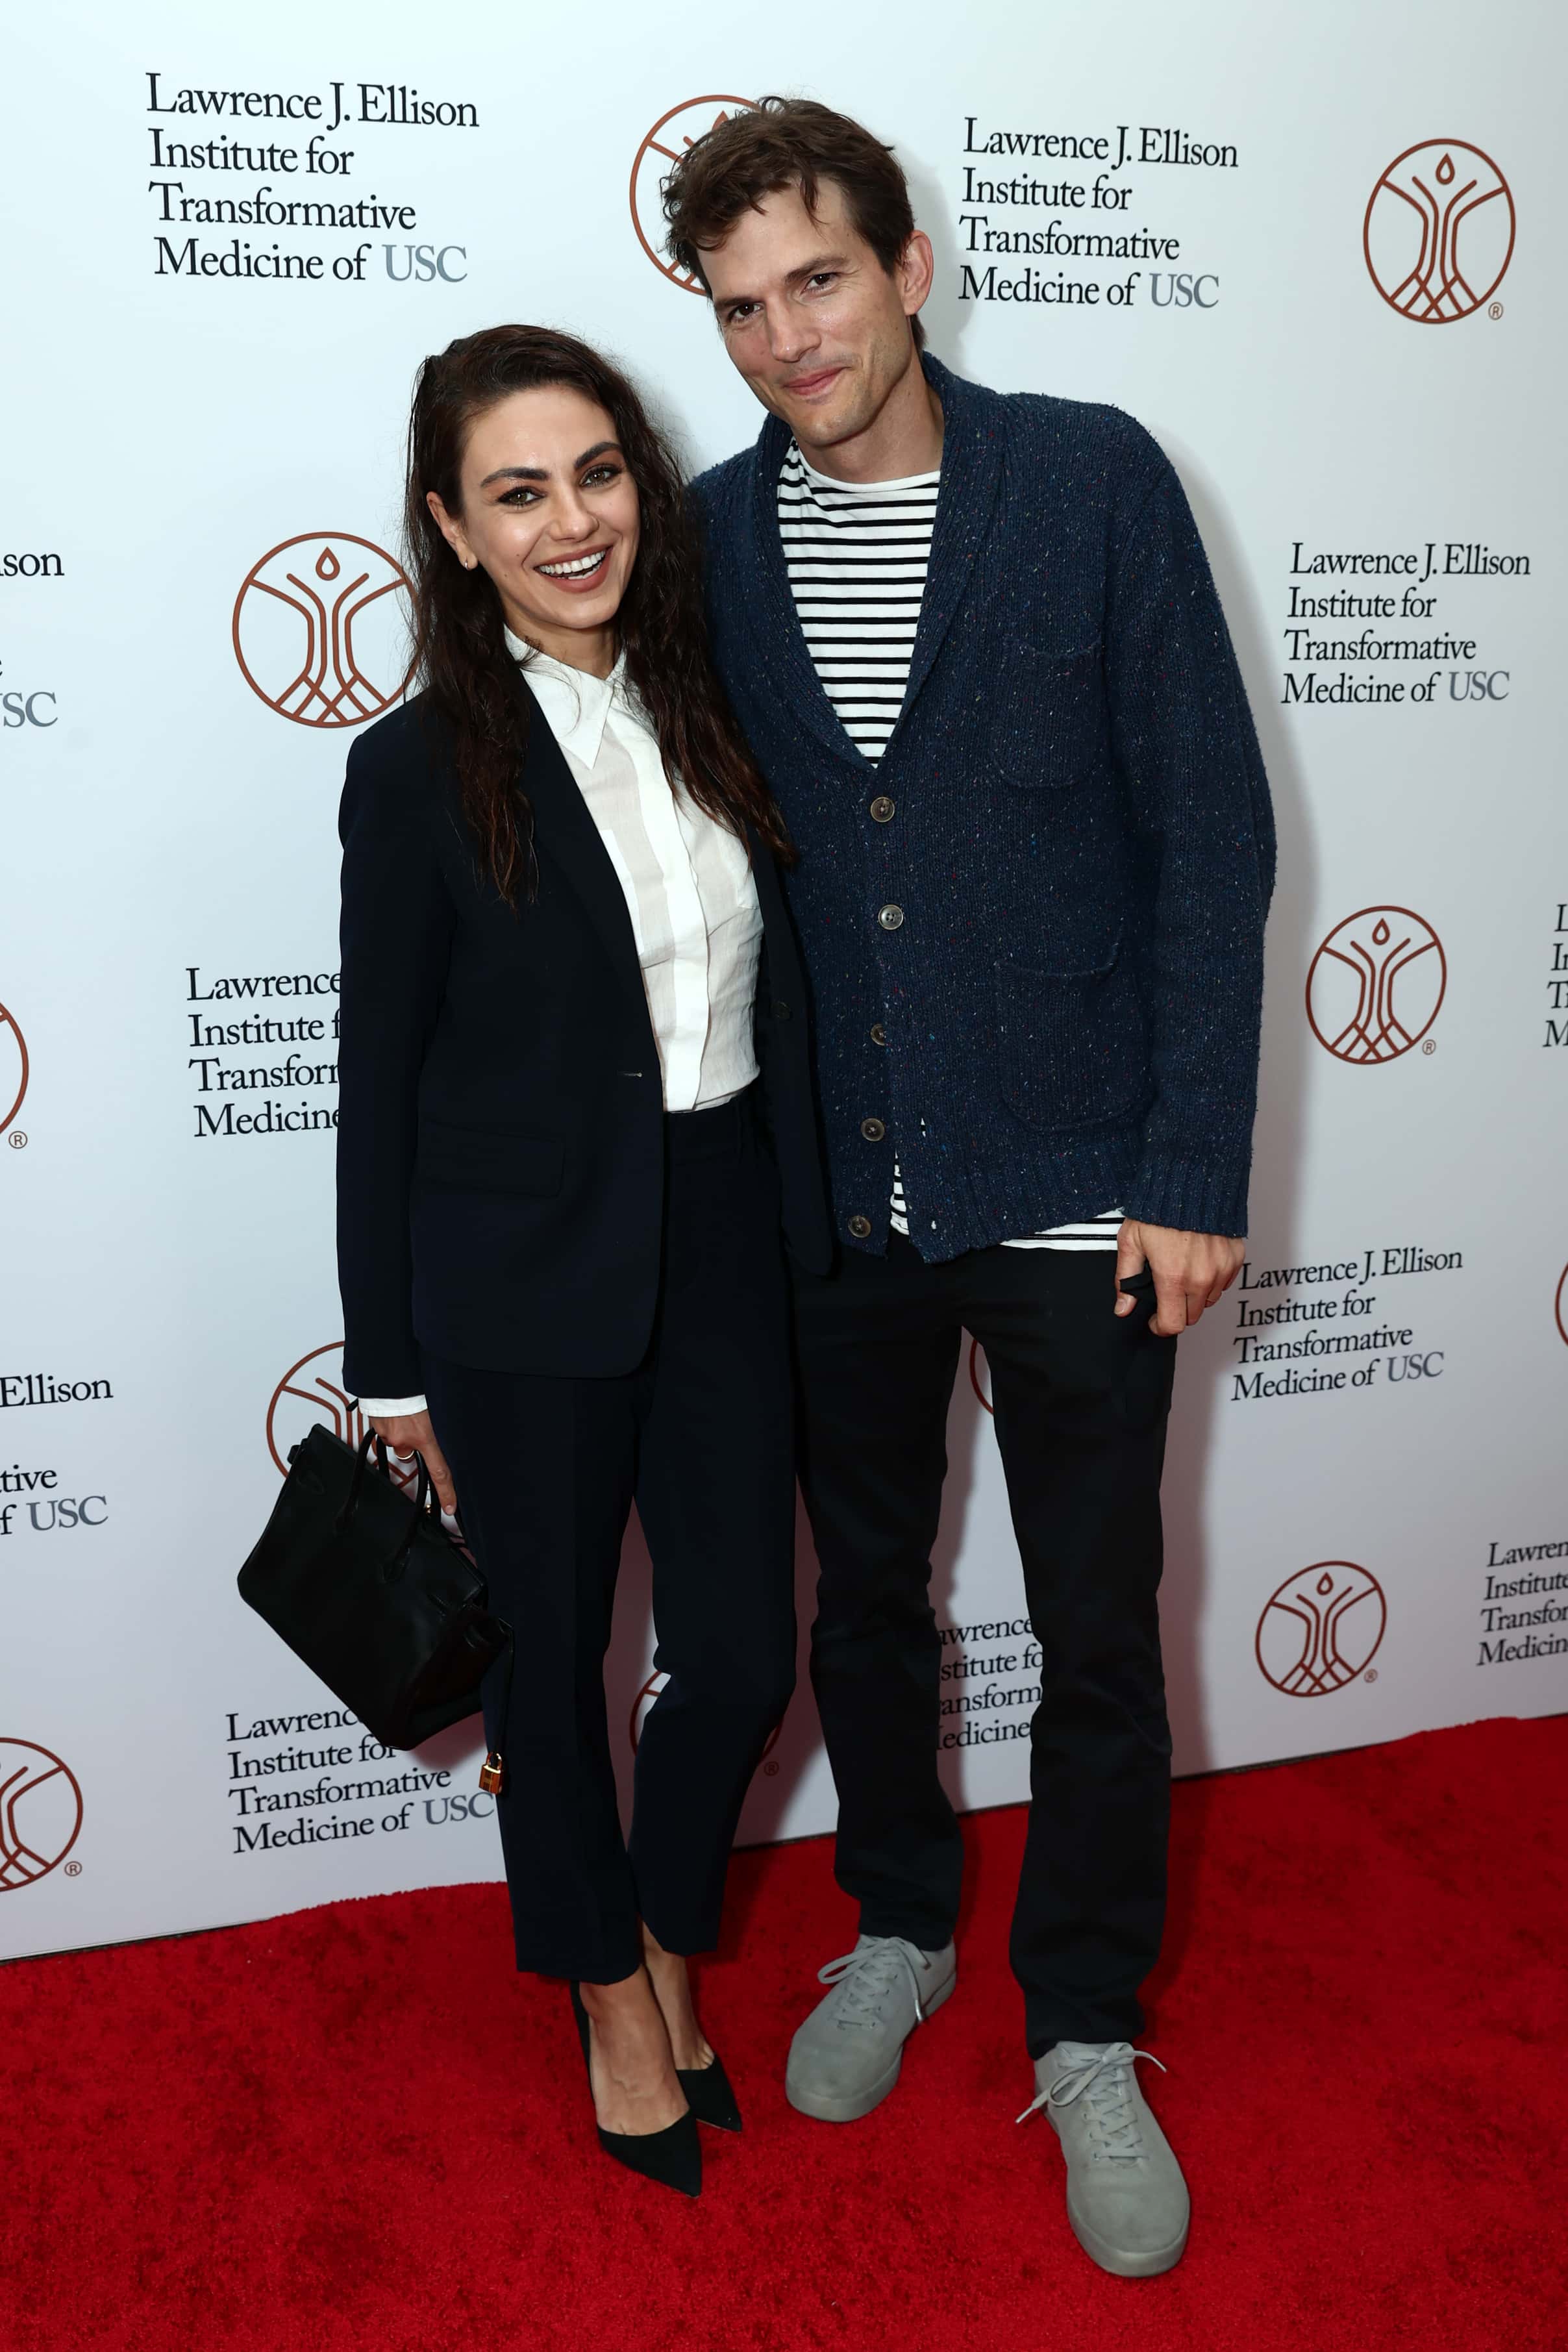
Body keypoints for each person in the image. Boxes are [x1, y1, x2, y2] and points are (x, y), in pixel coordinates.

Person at [662, 100, 1275, 2273]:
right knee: (868, 1609)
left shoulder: (1092, 479)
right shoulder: (709, 542)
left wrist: (1195, 1165)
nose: (786, 338)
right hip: (834, 1199)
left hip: (1087, 1183)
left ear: (909, 266)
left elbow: (1213, 836)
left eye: (817, 281)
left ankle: (1089, 2020)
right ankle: (903, 1921)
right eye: (739, 310)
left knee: (1101, 1625)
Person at [335, 323, 830, 2199]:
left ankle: (667, 1929)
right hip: (516, 1280)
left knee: (732, 1652)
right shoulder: (417, 773)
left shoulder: (713, 708)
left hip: (724, 1241)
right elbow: (373, 1087)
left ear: (643, 483)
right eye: (519, 493)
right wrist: (390, 1370)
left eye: (598, 474)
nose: (572, 521)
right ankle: (610, 1990)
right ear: (453, 531)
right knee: (543, 1672)